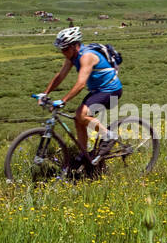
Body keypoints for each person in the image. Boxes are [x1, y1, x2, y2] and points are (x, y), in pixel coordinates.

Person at [38, 26, 122, 162]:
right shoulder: (72, 56)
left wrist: (63, 100)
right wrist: (45, 93)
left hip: (111, 90)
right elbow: (60, 76)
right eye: (61, 49)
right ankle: (85, 155)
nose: (63, 52)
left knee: (81, 115)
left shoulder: (87, 57)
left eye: (65, 49)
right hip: (98, 91)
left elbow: (81, 84)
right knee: (78, 120)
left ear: (75, 46)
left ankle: (109, 136)